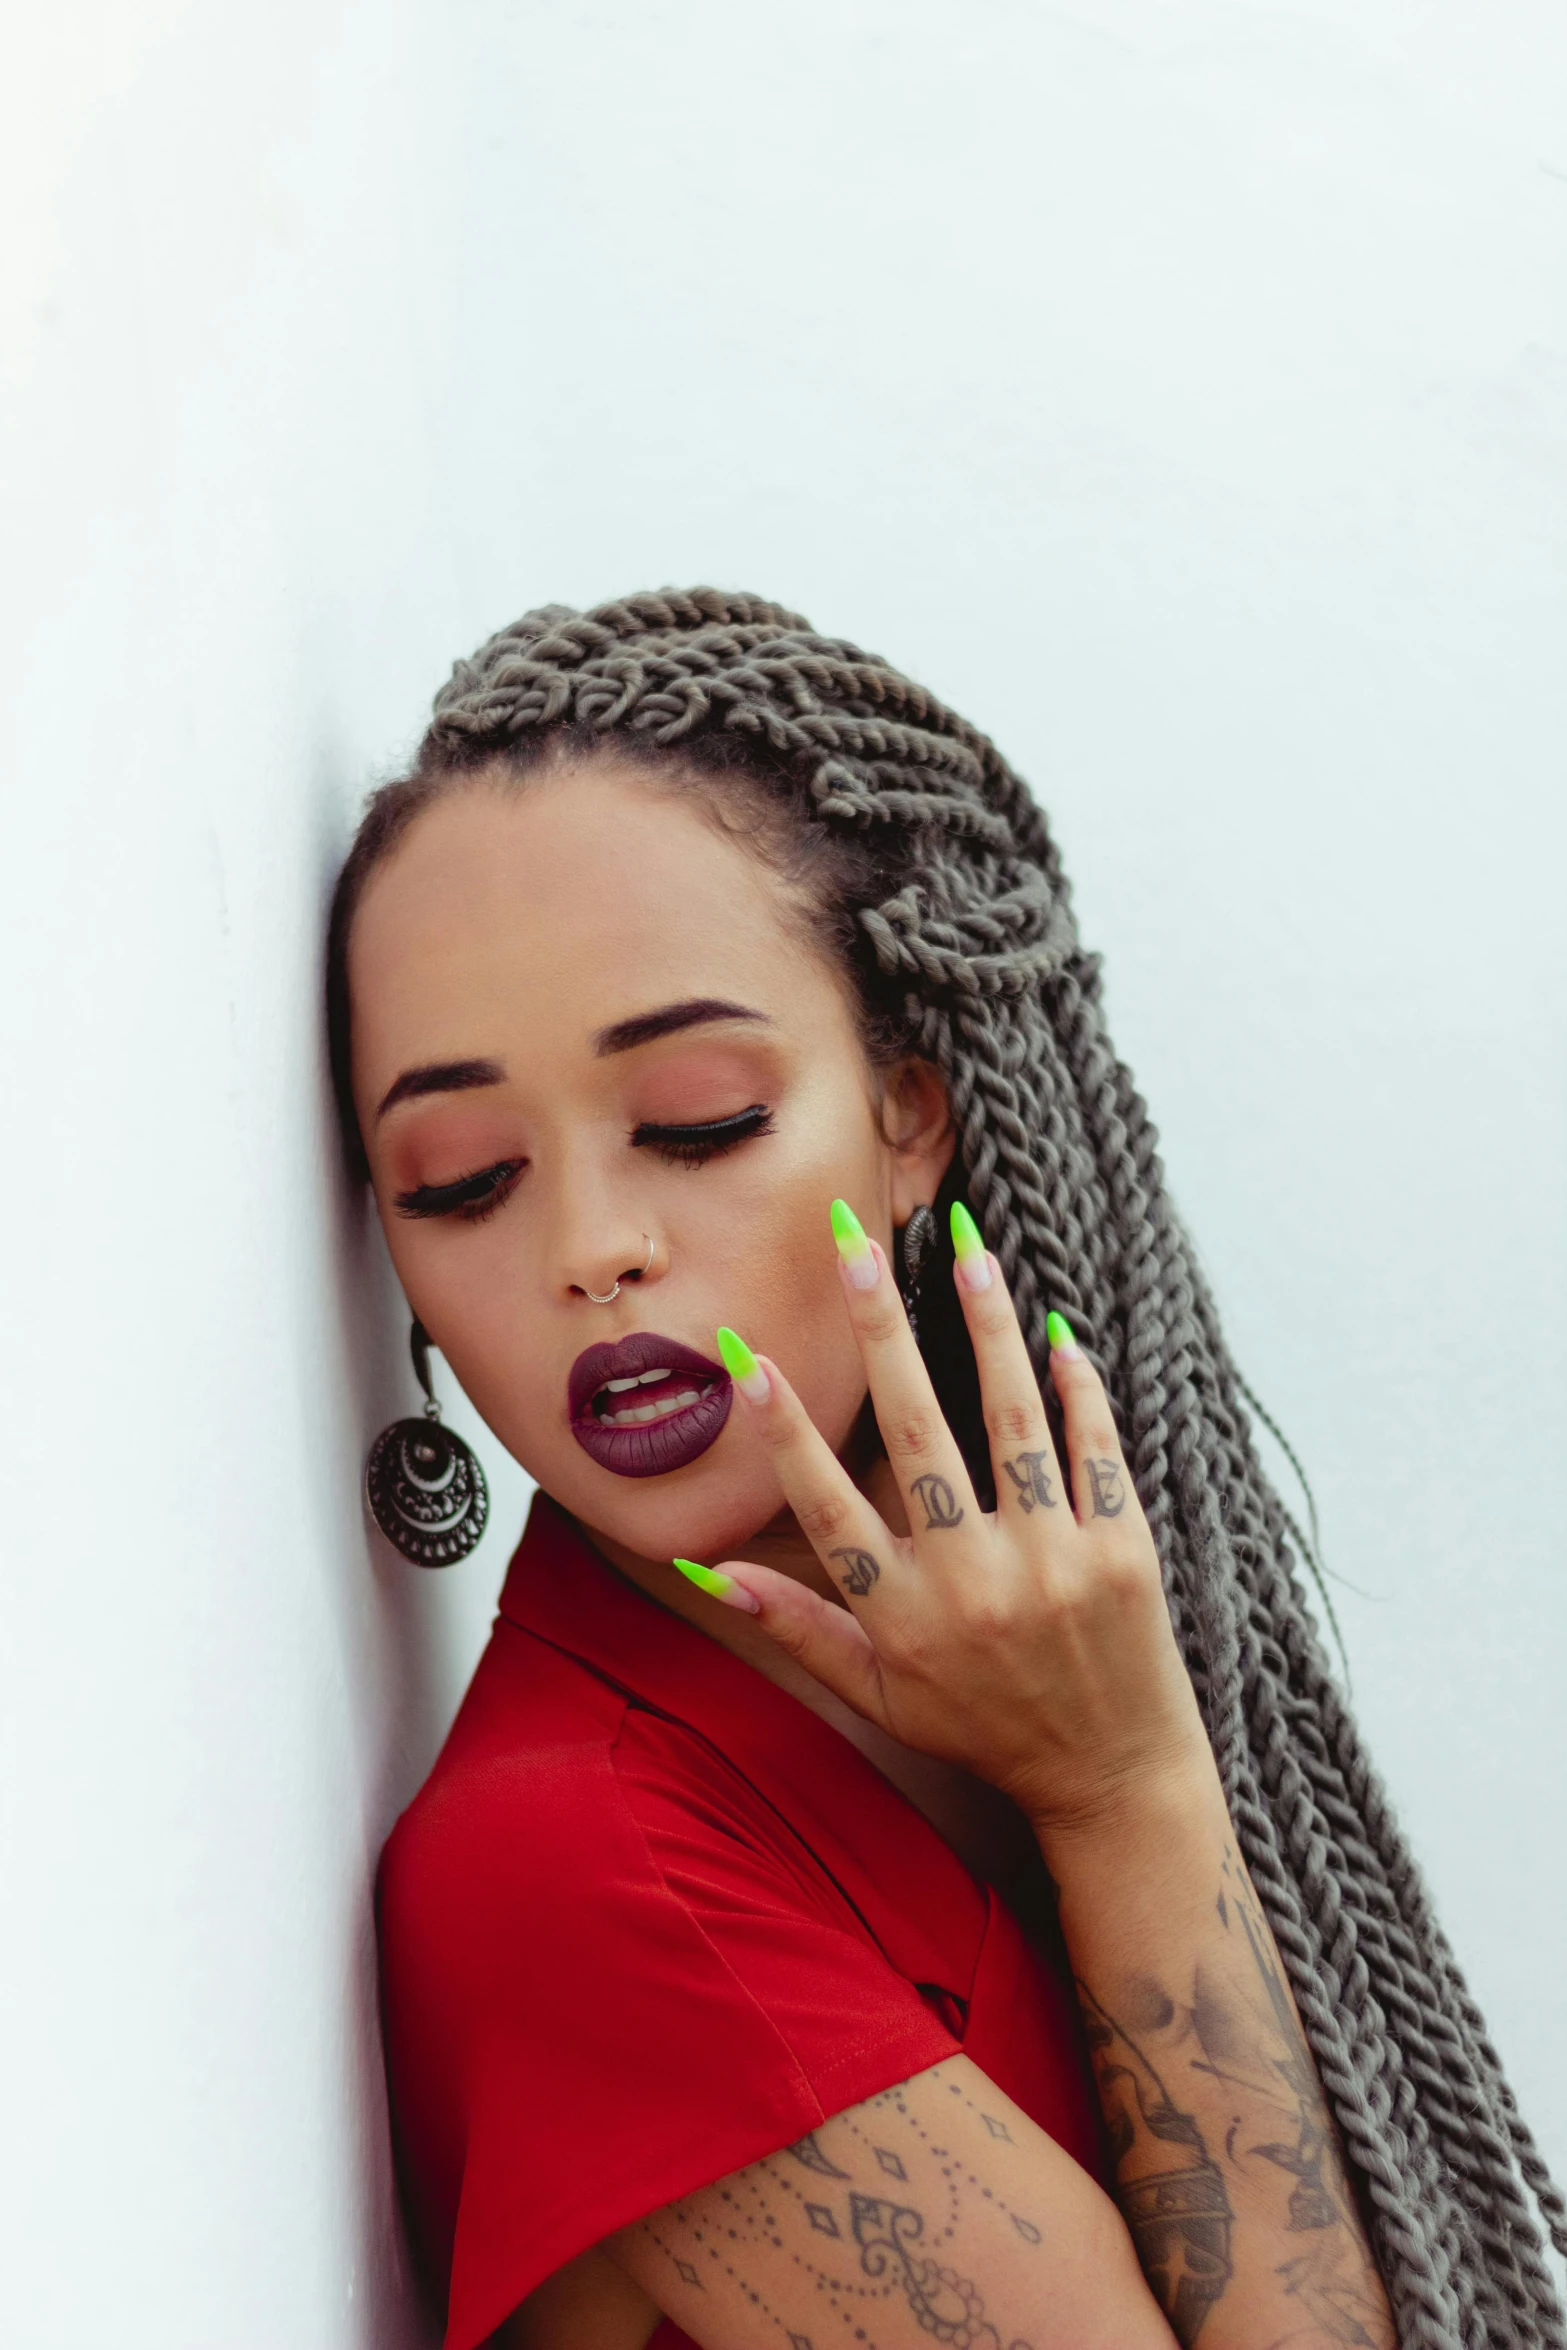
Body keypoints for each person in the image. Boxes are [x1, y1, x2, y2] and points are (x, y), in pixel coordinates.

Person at [327, 589, 1564, 2350]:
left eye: (694, 1120)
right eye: (457, 1178)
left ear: (913, 1115)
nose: (590, 1249)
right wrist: (1128, 1793)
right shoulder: (578, 1867)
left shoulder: (1060, 1622)